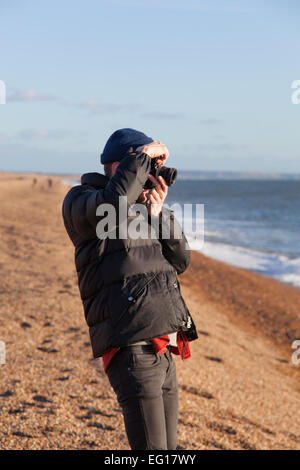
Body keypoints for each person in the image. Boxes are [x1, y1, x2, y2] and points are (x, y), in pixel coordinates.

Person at [62, 128, 198, 450]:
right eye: (144, 166)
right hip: (132, 353)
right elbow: (113, 201)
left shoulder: (141, 210)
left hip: (163, 350)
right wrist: (143, 156)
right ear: (119, 166)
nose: (150, 175)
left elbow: (180, 260)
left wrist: (158, 215)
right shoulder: (82, 202)